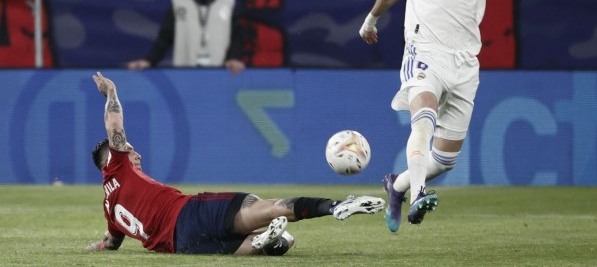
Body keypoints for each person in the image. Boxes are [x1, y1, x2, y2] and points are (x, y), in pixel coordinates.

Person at [358, 0, 561, 232]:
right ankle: (419, 193)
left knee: (443, 160)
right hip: (423, 53)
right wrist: (371, 20)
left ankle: (397, 185)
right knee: (422, 121)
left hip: (465, 63)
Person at [87, 71, 384, 255]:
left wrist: (96, 248)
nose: (135, 154)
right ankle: (335, 207)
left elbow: (111, 242)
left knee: (279, 243)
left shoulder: (109, 207)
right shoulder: (119, 163)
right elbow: (114, 126)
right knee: (265, 206)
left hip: (181, 245)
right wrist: (111, 92)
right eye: (130, 149)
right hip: (187, 212)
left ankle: (260, 242)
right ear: (112, 158)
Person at [126, 0, 246, 73]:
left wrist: (234, 58)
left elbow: (237, 36)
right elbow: (165, 36)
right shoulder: (179, 1)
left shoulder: (228, 1)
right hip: (184, 70)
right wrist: (150, 61)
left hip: (219, 70)